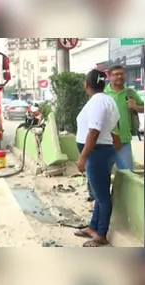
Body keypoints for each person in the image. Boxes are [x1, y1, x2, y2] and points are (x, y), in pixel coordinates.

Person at [74, 69, 121, 247]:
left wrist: (83, 157)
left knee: (101, 196)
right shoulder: (108, 100)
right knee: (99, 193)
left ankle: (101, 234)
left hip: (97, 152)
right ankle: (93, 227)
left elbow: (94, 132)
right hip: (103, 151)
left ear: (86, 84)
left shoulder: (97, 102)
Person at [105, 65, 144, 170]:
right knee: (103, 175)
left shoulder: (130, 92)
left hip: (124, 141)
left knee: (127, 175)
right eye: (115, 74)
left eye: (121, 74)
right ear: (109, 77)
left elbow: (143, 108)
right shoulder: (104, 93)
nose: (119, 76)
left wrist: (135, 106)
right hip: (106, 142)